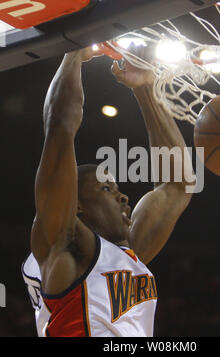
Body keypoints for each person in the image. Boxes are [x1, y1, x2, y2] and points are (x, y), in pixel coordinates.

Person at [21, 45, 195, 337]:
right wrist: (73, 51)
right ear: (76, 207)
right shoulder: (64, 247)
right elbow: (60, 126)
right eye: (106, 188)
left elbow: (178, 185)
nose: (123, 197)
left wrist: (147, 88)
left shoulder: (125, 251)